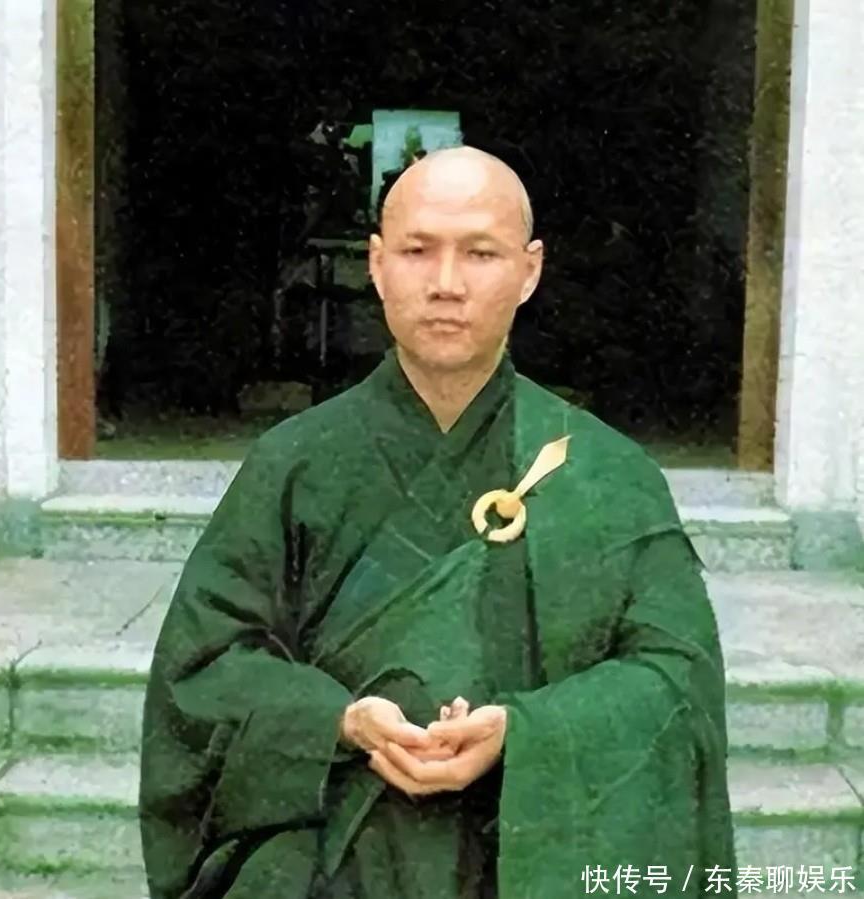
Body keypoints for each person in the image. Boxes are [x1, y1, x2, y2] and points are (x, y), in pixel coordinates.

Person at [139, 146, 736, 898]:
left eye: (480, 253)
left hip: (528, 858)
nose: (446, 283)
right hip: (329, 857)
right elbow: (202, 670)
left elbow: (676, 681)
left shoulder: (606, 474)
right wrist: (338, 720)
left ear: (529, 270)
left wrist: (526, 732)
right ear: (377, 264)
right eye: (418, 250)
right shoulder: (293, 463)